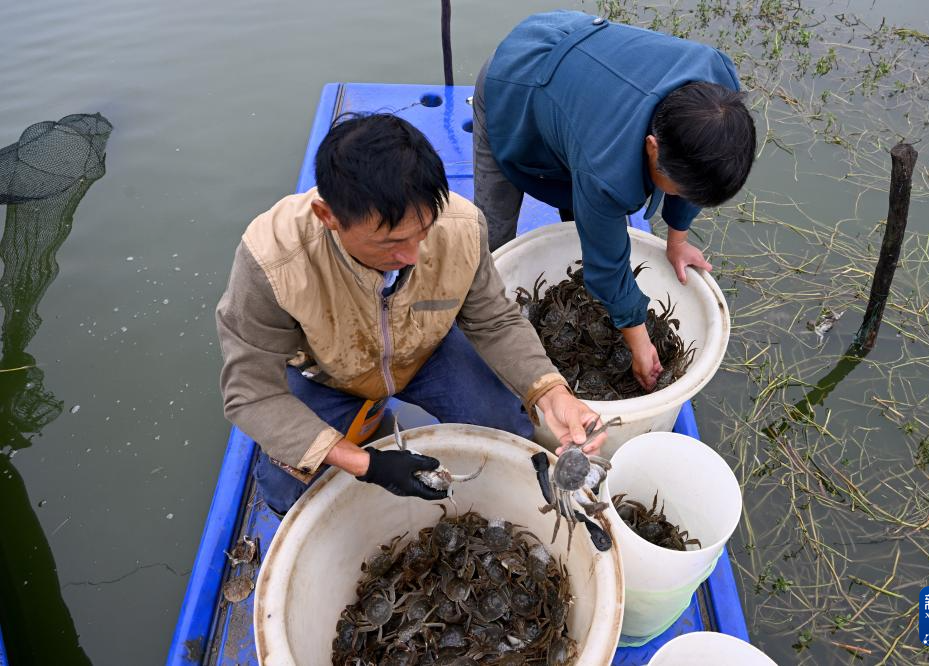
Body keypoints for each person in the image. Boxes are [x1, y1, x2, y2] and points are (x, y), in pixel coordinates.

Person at [216, 113, 604, 515]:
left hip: (426, 350)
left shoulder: (462, 227)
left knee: (507, 426)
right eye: (391, 243)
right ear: (327, 216)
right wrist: (366, 465)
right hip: (327, 375)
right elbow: (252, 393)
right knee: (288, 496)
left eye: (423, 232)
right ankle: (363, 424)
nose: (412, 256)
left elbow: (495, 321)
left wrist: (552, 393)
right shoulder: (272, 260)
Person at [474, 10, 756, 391]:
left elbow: (693, 178)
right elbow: (606, 266)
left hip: (585, 84)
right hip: (517, 80)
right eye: (677, 188)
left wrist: (678, 241)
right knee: (495, 237)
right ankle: (487, 333)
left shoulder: (718, 97)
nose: (684, 197)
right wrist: (639, 342)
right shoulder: (605, 168)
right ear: (653, 148)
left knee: (597, 217)